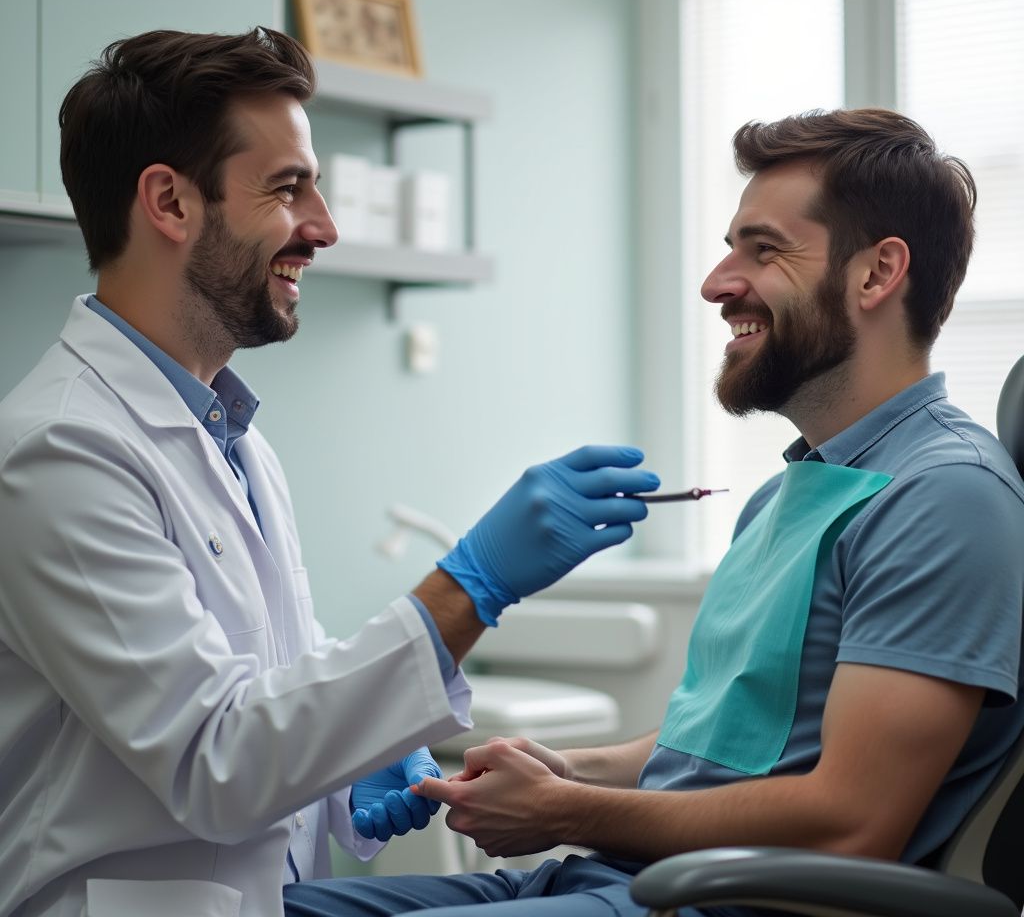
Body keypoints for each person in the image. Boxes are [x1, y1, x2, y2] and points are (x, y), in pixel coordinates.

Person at [281, 108, 1024, 917]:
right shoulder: (793, 494)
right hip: (629, 880)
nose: (717, 281)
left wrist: (568, 812)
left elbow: (853, 825)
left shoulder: (947, 496)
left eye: (763, 248)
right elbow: (715, 750)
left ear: (878, 274)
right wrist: (559, 770)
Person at [0, 27, 660, 917]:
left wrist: (361, 761)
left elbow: (269, 690)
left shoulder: (234, 438)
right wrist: (467, 589)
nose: (323, 226)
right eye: (287, 187)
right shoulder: (60, 451)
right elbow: (214, 760)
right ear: (169, 203)